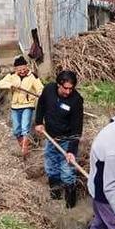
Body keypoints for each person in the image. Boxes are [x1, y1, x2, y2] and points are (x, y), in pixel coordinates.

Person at [34, 70, 84, 208]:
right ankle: (55, 197)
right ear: (58, 85)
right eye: (65, 88)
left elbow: (77, 129)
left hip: (67, 140)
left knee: (67, 173)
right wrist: (38, 122)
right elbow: (41, 104)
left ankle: (70, 205)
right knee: (51, 168)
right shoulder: (49, 89)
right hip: (51, 138)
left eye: (71, 88)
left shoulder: (76, 101)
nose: (68, 92)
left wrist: (71, 151)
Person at [0, 56, 43, 158]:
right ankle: (24, 145)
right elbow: (0, 84)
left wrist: (41, 95)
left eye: (24, 69)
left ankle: (24, 149)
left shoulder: (33, 77)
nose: (22, 71)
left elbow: (40, 89)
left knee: (25, 128)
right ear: (15, 69)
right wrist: (11, 85)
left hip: (28, 105)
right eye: (19, 70)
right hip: (15, 106)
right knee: (16, 130)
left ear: (27, 67)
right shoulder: (12, 76)